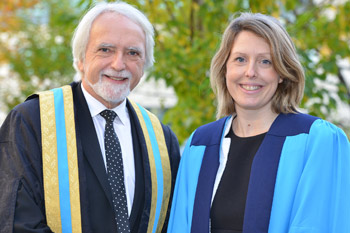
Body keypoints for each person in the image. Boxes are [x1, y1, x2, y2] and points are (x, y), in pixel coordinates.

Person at [0, 1, 180, 233]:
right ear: (81, 58)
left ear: (144, 64)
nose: (118, 64)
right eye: (105, 49)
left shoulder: (161, 141)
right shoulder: (32, 122)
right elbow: (17, 222)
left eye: (133, 53)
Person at [167, 12, 350, 233]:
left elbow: (318, 225)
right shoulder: (200, 145)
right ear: (225, 68)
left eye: (265, 61)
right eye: (240, 59)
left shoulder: (316, 141)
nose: (250, 72)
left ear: (282, 73)